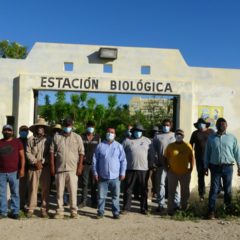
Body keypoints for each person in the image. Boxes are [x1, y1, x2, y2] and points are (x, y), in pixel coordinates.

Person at [204, 118, 240, 219]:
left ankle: (227, 210)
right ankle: (211, 212)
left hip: (228, 167)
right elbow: (207, 153)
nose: (221, 126)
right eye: (219, 124)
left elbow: (237, 153)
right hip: (214, 167)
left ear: (227, 126)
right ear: (216, 126)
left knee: (228, 190)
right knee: (214, 189)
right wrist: (205, 166)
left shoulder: (232, 138)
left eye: (223, 124)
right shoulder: (211, 138)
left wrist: (239, 165)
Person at [50, 118, 84, 219]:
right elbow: (51, 152)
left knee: (73, 192)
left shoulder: (77, 137)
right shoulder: (56, 137)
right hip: (59, 169)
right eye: (66, 125)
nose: (67, 127)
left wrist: (80, 167)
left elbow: (81, 153)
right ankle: (60, 211)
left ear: (72, 125)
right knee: (59, 192)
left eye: (69, 125)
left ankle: (74, 211)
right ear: (63, 125)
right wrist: (52, 167)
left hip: (73, 169)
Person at [92, 127, 127, 219]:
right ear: (106, 133)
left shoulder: (119, 146)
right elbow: (95, 160)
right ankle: (100, 212)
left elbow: (123, 160)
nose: (110, 134)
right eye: (108, 132)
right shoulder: (100, 146)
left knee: (115, 196)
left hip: (116, 177)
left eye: (112, 132)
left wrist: (122, 172)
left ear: (115, 135)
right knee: (101, 196)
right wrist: (95, 173)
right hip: (102, 176)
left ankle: (116, 212)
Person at [122, 123, 151, 214]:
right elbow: (121, 154)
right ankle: (126, 208)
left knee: (143, 190)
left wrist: (151, 165)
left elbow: (151, 154)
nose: (138, 132)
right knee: (128, 189)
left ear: (142, 132)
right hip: (130, 169)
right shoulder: (127, 141)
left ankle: (144, 208)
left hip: (144, 170)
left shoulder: (147, 141)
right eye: (136, 131)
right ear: (133, 131)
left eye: (140, 131)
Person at [164, 129, 194, 216]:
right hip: (172, 173)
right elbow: (165, 158)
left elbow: (191, 158)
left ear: (183, 136)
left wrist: (191, 169)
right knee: (171, 192)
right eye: (177, 134)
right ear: (175, 136)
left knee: (185, 192)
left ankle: (184, 209)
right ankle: (170, 210)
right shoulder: (170, 146)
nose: (179, 136)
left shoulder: (187, 145)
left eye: (180, 134)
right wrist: (167, 169)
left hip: (185, 173)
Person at [26, 118, 52, 218]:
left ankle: (44, 209)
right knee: (33, 188)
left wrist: (42, 161)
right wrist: (35, 161)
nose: (40, 129)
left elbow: (51, 153)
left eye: (42, 127)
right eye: (38, 127)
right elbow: (27, 152)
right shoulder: (30, 139)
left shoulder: (49, 139)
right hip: (33, 167)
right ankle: (31, 208)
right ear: (35, 128)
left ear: (44, 129)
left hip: (45, 167)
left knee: (45, 189)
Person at [152, 119, 179, 213]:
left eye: (167, 125)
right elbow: (153, 151)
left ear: (171, 126)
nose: (165, 126)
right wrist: (155, 161)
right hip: (161, 164)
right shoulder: (157, 137)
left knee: (175, 185)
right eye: (164, 125)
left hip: (173, 165)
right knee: (161, 185)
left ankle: (176, 204)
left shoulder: (175, 136)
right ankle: (161, 204)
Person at [0, 124, 25, 219]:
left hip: (14, 172)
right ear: (2, 132)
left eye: (9, 130)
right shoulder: (0, 142)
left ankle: (15, 212)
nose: (7, 132)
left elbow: (22, 157)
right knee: (1, 193)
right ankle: (3, 212)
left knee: (15, 193)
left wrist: (22, 169)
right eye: (5, 130)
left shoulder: (17, 142)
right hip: (1, 173)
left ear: (12, 132)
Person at [190, 118, 214, 201]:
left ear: (205, 125)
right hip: (200, 158)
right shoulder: (195, 133)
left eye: (202, 123)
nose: (201, 125)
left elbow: (216, 142)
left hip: (211, 158)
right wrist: (190, 156)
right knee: (200, 176)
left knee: (214, 175)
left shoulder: (211, 132)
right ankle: (201, 194)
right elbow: (190, 145)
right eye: (199, 124)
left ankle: (215, 192)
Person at [79, 120, 100, 208]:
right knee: (84, 183)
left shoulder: (98, 137)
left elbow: (99, 150)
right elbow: (79, 149)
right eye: (89, 126)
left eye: (92, 126)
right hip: (85, 164)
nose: (90, 128)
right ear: (86, 127)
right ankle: (83, 201)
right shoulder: (82, 136)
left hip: (95, 164)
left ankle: (94, 202)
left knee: (94, 183)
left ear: (94, 127)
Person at [18, 125, 29, 211]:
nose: (24, 132)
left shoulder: (30, 141)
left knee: (27, 187)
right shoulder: (16, 141)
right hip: (18, 167)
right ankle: (20, 204)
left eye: (25, 131)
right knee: (19, 187)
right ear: (19, 132)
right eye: (22, 130)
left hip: (29, 167)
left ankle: (26, 203)